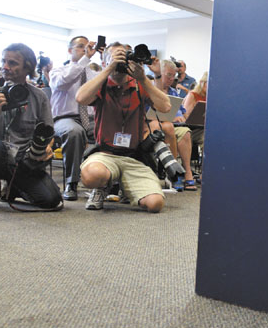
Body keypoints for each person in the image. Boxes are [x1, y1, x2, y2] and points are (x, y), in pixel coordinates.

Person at [0, 43, 62, 211]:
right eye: (4, 61)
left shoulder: (39, 96)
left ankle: (13, 187)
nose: (5, 67)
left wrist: (46, 148)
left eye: (13, 63)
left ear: (27, 68)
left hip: (20, 162)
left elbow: (47, 133)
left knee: (50, 199)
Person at [76, 42, 172, 212]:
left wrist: (144, 78)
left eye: (123, 57)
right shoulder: (102, 84)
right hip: (105, 154)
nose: (120, 62)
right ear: (104, 62)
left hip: (132, 156)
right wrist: (109, 68)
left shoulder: (138, 84)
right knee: (94, 175)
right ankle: (101, 187)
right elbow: (81, 98)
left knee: (155, 204)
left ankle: (127, 188)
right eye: (114, 57)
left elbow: (166, 107)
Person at [49, 35, 100, 200]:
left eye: (87, 47)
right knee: (74, 132)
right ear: (70, 50)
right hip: (65, 119)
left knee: (109, 132)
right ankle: (72, 183)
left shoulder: (94, 72)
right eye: (81, 46)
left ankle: (105, 183)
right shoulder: (58, 71)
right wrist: (86, 59)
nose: (85, 49)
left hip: (90, 119)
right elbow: (64, 82)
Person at [153, 60, 197, 191]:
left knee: (186, 133)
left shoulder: (173, 92)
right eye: (169, 75)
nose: (172, 79)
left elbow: (183, 113)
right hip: (157, 126)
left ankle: (187, 172)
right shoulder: (151, 89)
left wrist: (182, 117)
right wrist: (171, 118)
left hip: (176, 127)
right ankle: (174, 172)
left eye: (173, 76)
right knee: (170, 128)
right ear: (159, 73)